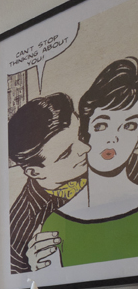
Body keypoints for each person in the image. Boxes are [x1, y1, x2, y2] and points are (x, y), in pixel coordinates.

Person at [37, 58, 138, 269]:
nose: (113, 138)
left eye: (129, 126)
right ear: (85, 131)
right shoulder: (56, 224)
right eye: (102, 125)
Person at [7, 93, 89, 272]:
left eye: (81, 135)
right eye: (66, 153)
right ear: (35, 172)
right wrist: (36, 271)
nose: (86, 148)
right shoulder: (20, 232)